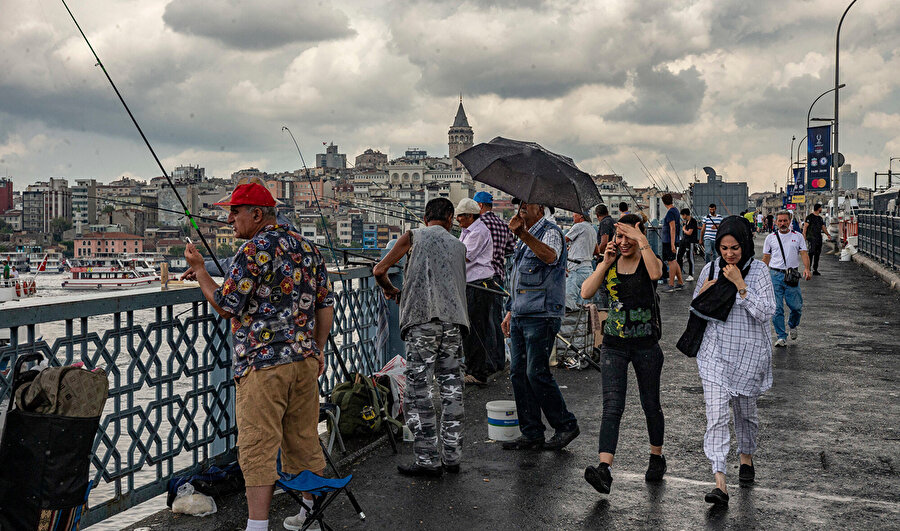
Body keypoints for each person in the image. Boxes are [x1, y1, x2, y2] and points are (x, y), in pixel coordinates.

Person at [181, 183, 334, 531]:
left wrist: (201, 270)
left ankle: (257, 526)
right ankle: (309, 513)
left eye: (236, 212)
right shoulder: (308, 248)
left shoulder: (254, 249)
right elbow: (325, 305)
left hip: (263, 364)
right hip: (304, 360)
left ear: (257, 214)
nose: (230, 218)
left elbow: (225, 305)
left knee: (258, 445)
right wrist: (319, 349)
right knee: (304, 437)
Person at [373, 198, 468, 477]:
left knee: (419, 391)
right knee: (452, 389)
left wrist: (391, 290)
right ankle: (452, 456)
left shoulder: (413, 235)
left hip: (422, 321)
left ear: (426, 217)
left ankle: (428, 459)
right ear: (450, 218)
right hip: (454, 324)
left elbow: (379, 270)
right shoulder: (459, 246)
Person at [690, 216, 776, 505]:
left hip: (749, 357)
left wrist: (741, 286)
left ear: (745, 245)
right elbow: (696, 305)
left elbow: (766, 312)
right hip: (715, 356)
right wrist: (704, 291)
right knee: (716, 417)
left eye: (735, 248)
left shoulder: (759, 271)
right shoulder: (710, 268)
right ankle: (720, 482)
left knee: (745, 415)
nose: (729, 254)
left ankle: (746, 457)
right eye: (724, 248)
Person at [579, 214, 666, 495]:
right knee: (612, 406)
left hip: (646, 345)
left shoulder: (647, 256)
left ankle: (656, 456)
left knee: (650, 404)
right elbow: (585, 292)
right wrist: (604, 262)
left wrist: (641, 239)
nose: (623, 242)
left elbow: (656, 274)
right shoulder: (611, 261)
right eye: (620, 236)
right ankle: (604, 469)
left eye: (628, 236)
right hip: (614, 345)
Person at [501, 200, 579, 451]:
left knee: (536, 372)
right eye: (519, 203)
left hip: (542, 314)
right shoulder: (525, 237)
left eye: (527, 204)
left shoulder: (550, 232)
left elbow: (550, 256)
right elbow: (518, 279)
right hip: (523, 313)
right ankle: (532, 431)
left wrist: (521, 232)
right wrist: (512, 310)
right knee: (518, 373)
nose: (522, 207)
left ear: (541, 209)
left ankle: (565, 424)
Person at [473, 191, 515, 374]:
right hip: (498, 276)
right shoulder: (502, 224)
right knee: (497, 319)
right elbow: (511, 249)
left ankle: (488, 364)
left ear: (480, 206)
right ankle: (498, 360)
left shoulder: (479, 224)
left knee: (483, 321)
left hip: (481, 278)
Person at [455, 197, 495, 385]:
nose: (457, 220)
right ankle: (473, 367)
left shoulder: (478, 232)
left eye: (460, 216)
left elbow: (465, 256)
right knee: (471, 329)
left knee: (476, 329)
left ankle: (478, 373)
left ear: (470, 216)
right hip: (471, 284)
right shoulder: (468, 231)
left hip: (478, 285)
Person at [763, 211, 811, 347]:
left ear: (790, 221)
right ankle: (781, 336)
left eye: (785, 221)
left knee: (796, 307)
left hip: (792, 276)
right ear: (776, 222)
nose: (782, 224)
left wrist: (807, 269)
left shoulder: (798, 237)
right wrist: (760, 273)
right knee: (776, 308)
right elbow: (766, 258)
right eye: (780, 221)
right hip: (775, 275)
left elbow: (804, 253)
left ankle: (793, 325)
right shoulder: (770, 238)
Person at [565, 210, 598, 310]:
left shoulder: (579, 226)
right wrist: (575, 248)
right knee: (583, 307)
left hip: (576, 268)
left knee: (569, 304)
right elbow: (597, 251)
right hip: (588, 268)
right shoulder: (592, 229)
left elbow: (562, 241)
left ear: (580, 216)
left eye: (574, 213)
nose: (572, 216)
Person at [659, 194, 684, 293]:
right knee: (674, 260)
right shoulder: (676, 210)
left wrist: (672, 244)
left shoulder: (670, 212)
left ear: (664, 202)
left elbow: (672, 228)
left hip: (669, 241)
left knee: (671, 261)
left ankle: (671, 284)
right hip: (672, 240)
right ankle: (680, 282)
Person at [594, 204, 616, 307]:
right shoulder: (612, 221)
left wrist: (598, 253)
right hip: (614, 257)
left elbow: (604, 242)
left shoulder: (604, 223)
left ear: (597, 215)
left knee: (601, 286)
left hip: (605, 258)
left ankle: (605, 309)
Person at [803, 204, 829, 275]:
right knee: (811, 253)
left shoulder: (820, 218)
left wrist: (827, 234)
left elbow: (823, 227)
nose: (821, 209)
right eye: (821, 208)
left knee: (817, 254)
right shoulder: (809, 217)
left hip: (818, 238)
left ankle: (815, 269)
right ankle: (808, 268)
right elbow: (805, 227)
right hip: (811, 238)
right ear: (818, 209)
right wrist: (804, 237)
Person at [677, 208, 698, 282]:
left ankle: (691, 274)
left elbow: (689, 232)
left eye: (682, 215)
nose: (682, 217)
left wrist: (683, 229)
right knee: (679, 256)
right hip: (684, 241)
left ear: (685, 215)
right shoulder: (686, 221)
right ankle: (679, 273)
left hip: (690, 242)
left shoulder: (693, 221)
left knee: (690, 257)